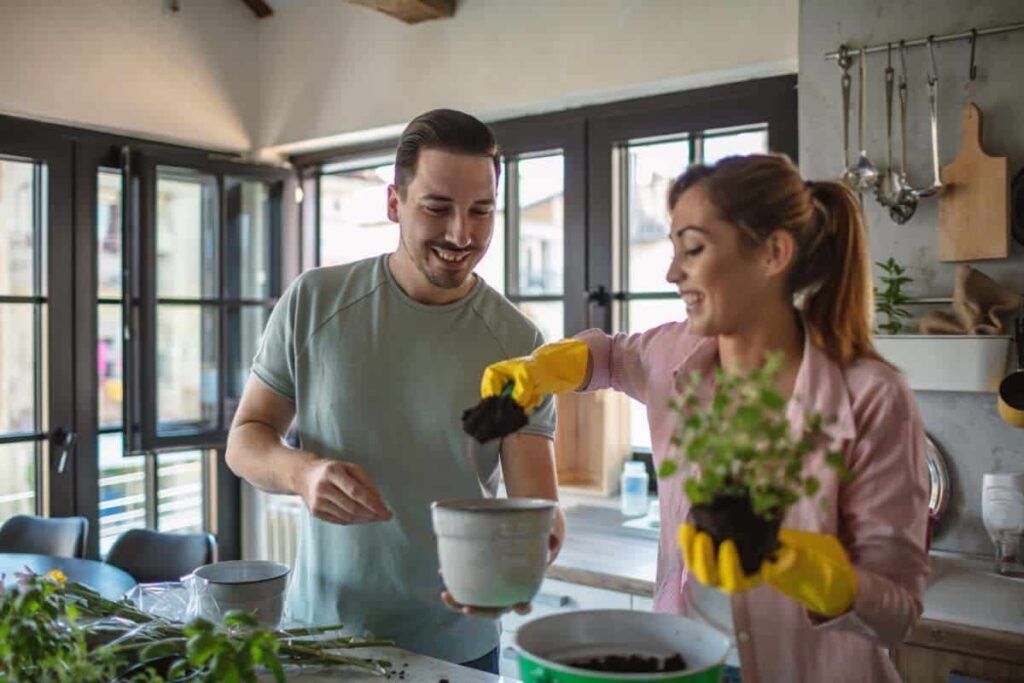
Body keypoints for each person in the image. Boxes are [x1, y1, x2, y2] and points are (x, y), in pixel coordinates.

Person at [480, 154, 930, 681]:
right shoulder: (673, 354)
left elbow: (897, 612)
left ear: (773, 254)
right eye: (673, 250)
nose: (673, 273)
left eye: (692, 249)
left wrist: (798, 567)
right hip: (687, 664)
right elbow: (611, 356)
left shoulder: (871, 396)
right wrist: (543, 368)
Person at [225, 109, 565, 674]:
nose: (462, 234)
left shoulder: (518, 343)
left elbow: (538, 511)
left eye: (482, 211)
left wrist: (525, 558)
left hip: (459, 646)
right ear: (394, 203)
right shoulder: (314, 302)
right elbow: (245, 439)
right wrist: (301, 472)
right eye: (438, 207)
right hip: (322, 637)